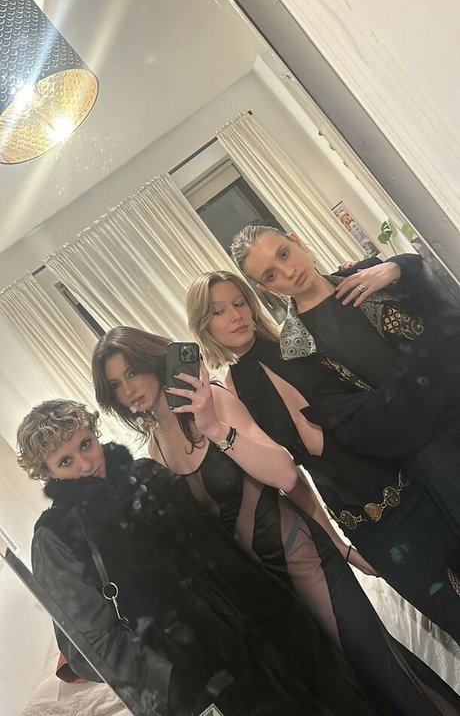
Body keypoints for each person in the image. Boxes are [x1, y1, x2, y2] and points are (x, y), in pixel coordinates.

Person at [91, 327, 460, 715]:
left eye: (132, 373)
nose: (128, 389)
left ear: (152, 361)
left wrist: (214, 428)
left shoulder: (215, 402)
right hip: (260, 590)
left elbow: (285, 474)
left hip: (301, 556)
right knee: (346, 686)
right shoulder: (155, 449)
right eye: (116, 385)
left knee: (377, 669)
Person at [17, 399, 383, 716]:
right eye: (65, 461)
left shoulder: (145, 474)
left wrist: (281, 606)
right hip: (203, 678)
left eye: (86, 444)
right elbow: (92, 646)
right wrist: (176, 684)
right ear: (47, 473)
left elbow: (220, 545)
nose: (85, 464)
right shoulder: (55, 536)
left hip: (274, 629)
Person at [186, 269, 460, 647]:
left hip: (415, 482)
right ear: (204, 325)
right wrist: (339, 545)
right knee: (451, 617)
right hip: (365, 521)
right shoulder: (229, 394)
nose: (236, 316)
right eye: (219, 311)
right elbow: (290, 480)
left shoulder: (299, 342)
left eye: (239, 303)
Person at [228, 225, 460, 537]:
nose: (288, 271)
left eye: (284, 253)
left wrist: (400, 267)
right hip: (430, 447)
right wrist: (435, 369)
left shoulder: (370, 274)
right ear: (265, 287)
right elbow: (362, 421)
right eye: (271, 275)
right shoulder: (298, 349)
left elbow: (445, 307)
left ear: (295, 240)